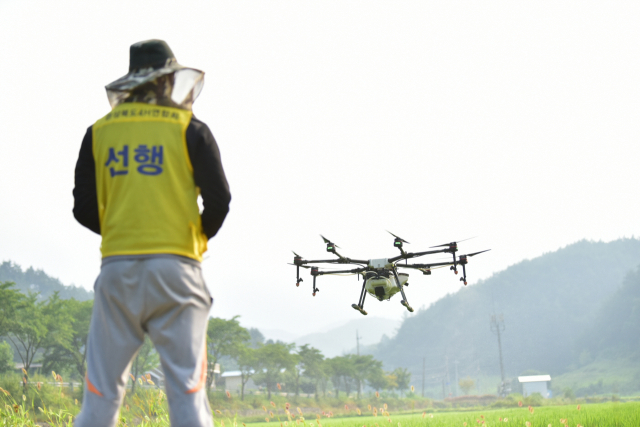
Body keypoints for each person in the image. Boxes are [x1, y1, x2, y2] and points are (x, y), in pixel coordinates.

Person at [72, 39, 230, 427]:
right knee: (187, 396)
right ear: (168, 81)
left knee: (100, 398)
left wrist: (123, 232)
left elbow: (83, 208)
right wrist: (195, 238)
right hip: (178, 270)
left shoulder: (98, 133)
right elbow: (220, 199)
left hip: (117, 272)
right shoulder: (191, 129)